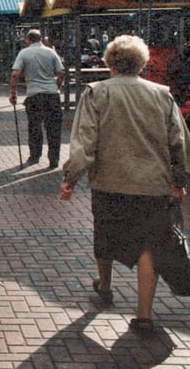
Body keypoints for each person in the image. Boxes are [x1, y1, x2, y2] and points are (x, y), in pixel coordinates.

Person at [59, 35, 190, 335]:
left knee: (105, 235)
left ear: (109, 63)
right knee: (148, 247)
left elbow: (84, 143)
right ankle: (144, 316)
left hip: (109, 182)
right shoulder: (162, 94)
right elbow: (179, 143)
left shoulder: (96, 93)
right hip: (153, 186)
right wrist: (179, 181)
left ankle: (105, 287)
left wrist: (70, 179)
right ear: (142, 63)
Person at [9, 29, 65, 169]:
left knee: (34, 127)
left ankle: (35, 156)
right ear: (41, 39)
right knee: (53, 129)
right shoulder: (51, 52)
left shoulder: (24, 53)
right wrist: (57, 86)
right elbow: (61, 72)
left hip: (34, 95)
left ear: (28, 40)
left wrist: (13, 93)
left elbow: (15, 74)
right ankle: (54, 159)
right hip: (52, 95)